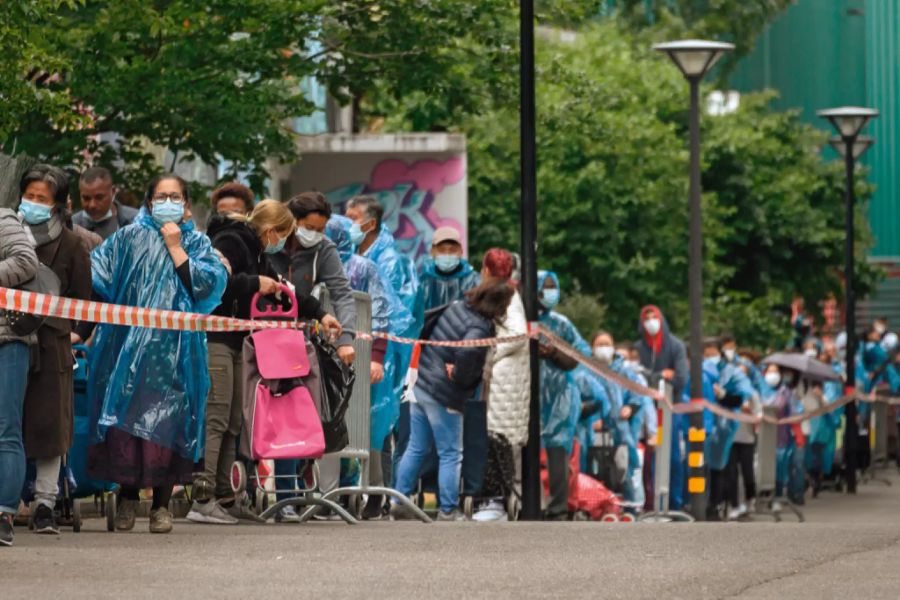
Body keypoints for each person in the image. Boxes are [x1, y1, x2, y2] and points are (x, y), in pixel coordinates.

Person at [86, 173, 228, 534]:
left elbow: (209, 287)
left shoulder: (196, 242)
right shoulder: (128, 237)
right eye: (162, 196)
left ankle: (162, 507)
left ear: (185, 202)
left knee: (172, 428)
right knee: (125, 425)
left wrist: (177, 248)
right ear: (149, 202)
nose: (168, 201)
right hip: (127, 352)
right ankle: (128, 497)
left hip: (177, 356)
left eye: (175, 196)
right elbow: (96, 276)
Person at [187, 200, 338, 524]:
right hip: (216, 339)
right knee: (216, 416)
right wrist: (255, 284)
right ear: (272, 231)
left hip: (239, 341)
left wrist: (321, 313)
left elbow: (287, 291)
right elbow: (216, 285)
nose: (283, 243)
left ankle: (226, 496)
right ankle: (203, 497)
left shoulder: (258, 252)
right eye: (283, 235)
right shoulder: (230, 241)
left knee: (234, 419)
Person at [390, 275, 514, 521]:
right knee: (450, 453)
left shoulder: (458, 306)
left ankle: (398, 500)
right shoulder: (479, 327)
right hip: (445, 395)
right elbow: (468, 356)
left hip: (422, 384)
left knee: (416, 447)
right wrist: (459, 375)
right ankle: (448, 509)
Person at [16, 166, 93, 535]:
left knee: (49, 427)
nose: (32, 204)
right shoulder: (8, 236)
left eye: (41, 199)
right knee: (9, 424)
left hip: (53, 347)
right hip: (10, 343)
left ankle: (45, 503)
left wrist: (74, 334)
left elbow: (85, 302)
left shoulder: (73, 244)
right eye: (28, 196)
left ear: (59, 205)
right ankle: (11, 499)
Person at [325, 215, 414, 520]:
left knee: (367, 429)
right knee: (347, 425)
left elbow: (381, 312)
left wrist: (376, 356)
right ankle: (336, 492)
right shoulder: (322, 264)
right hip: (336, 356)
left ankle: (369, 493)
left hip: (358, 358)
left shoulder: (363, 268)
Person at [0, 206, 40, 547]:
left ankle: (4, 515)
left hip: (7, 341)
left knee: (6, 429)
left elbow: (27, 261)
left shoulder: (4, 219)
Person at [537, 271, 590, 520]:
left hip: (560, 396)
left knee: (557, 451)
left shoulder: (561, 324)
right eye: (544, 287)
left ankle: (558, 507)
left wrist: (555, 354)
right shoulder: (522, 322)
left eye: (552, 287)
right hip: (530, 393)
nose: (549, 292)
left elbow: (580, 353)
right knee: (527, 452)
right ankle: (531, 503)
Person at [287, 192, 357, 365]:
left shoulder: (324, 248)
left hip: (298, 336)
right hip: (256, 334)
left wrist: (346, 339)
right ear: (294, 220)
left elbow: (342, 293)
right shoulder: (271, 242)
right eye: (309, 228)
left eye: (321, 230)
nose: (315, 235)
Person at [483, 249, 530, 497]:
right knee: (505, 442)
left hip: (505, 380)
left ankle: (502, 496)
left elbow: (517, 334)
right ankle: (507, 494)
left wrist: (491, 354)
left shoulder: (508, 296)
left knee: (501, 442)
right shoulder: (509, 293)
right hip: (509, 379)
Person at [636, 305, 688, 510]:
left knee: (672, 456)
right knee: (645, 458)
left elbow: (680, 379)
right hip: (644, 408)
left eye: (653, 316)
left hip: (669, 409)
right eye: (646, 317)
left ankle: (674, 503)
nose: (650, 321)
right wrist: (660, 376)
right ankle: (649, 503)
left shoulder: (676, 346)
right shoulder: (639, 347)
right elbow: (635, 377)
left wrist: (650, 377)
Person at [701, 339, 754, 521]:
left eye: (712, 354)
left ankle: (716, 505)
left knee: (721, 467)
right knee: (702, 466)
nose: (709, 359)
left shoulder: (732, 373)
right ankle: (705, 504)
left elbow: (740, 397)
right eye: (706, 355)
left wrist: (723, 395)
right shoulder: (699, 372)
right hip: (703, 425)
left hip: (725, 428)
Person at [416, 226, 481, 316]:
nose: (447, 255)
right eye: (441, 250)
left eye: (452, 250)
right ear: (432, 252)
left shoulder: (474, 282)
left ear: (461, 251)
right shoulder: (422, 283)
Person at [72, 166, 138, 240]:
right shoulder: (71, 226)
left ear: (113, 192)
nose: (92, 205)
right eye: (86, 198)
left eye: (99, 198)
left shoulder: (136, 221)